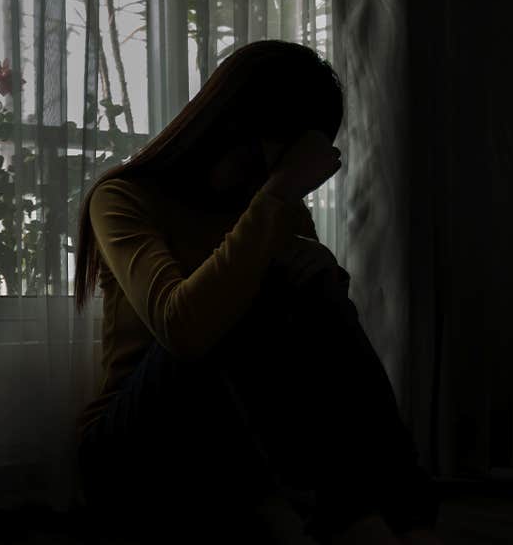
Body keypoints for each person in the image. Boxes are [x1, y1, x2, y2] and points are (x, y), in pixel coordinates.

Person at [72, 40, 441, 545]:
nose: (270, 175)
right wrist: (276, 197)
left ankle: (403, 514)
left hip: (239, 443)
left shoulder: (270, 204)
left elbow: (319, 343)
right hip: (133, 447)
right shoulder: (123, 198)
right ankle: (345, 516)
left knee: (314, 292)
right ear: (234, 125)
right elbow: (183, 329)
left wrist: (324, 271)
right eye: (278, 154)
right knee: (243, 299)